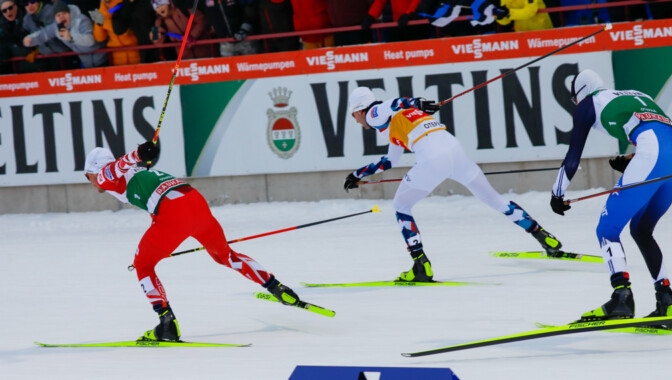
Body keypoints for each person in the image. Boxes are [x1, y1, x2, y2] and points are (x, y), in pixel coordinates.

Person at [83, 141, 302, 341]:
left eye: (87, 175)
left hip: (173, 213)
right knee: (226, 256)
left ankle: (166, 324)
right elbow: (129, 174)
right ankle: (277, 287)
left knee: (143, 265)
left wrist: (138, 152)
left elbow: (112, 169)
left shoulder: (107, 175)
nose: (90, 181)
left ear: (95, 169)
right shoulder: (137, 171)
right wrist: (140, 157)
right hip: (196, 203)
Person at [344, 87, 564, 282]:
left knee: (401, 205)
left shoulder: (374, 113)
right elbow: (390, 160)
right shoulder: (391, 123)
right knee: (494, 199)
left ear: (361, 109)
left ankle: (421, 265)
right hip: (454, 150)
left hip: (432, 158)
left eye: (355, 114)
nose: (356, 120)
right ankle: (543, 236)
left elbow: (393, 103)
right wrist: (357, 174)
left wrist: (416, 102)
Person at [549, 69, 672, 327]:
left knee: (608, 228)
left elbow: (573, 157)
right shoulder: (639, 95)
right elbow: (659, 134)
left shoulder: (588, 103)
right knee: (641, 229)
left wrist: (557, 193)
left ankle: (621, 297)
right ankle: (666, 302)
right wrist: (631, 161)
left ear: (580, 92)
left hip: (652, 155)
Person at [23, 0, 108, 68]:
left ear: (69, 14)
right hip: (86, 63)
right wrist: (30, 39)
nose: (61, 17)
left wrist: (71, 37)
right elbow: (44, 34)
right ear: (55, 18)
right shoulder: (57, 27)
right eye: (58, 15)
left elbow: (90, 41)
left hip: (104, 59)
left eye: (64, 14)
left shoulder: (81, 20)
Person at [90, 0, 140, 65]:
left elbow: (123, 32)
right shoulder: (99, 12)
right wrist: (99, 23)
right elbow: (99, 38)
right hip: (116, 55)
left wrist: (103, 22)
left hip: (135, 51)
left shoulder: (124, 4)